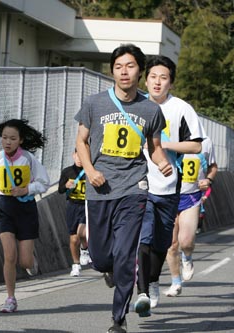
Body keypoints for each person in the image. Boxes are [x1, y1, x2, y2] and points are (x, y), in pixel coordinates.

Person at [74, 43, 173, 333]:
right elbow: (81, 141)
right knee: (102, 257)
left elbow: (154, 148)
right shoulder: (94, 104)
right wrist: (90, 171)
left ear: (139, 71)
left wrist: (163, 162)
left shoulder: (150, 109)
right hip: (100, 190)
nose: (124, 72)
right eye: (118, 67)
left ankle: (118, 320)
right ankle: (108, 270)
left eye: (130, 66)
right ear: (112, 72)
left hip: (134, 188)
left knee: (126, 255)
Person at [133, 55, 205, 315]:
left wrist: (163, 146)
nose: (157, 82)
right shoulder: (135, 105)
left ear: (171, 83)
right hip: (138, 184)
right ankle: (142, 290)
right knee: (143, 238)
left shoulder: (181, 109)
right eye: (153, 76)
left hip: (168, 184)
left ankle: (153, 281)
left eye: (163, 78)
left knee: (163, 243)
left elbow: (196, 145)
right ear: (145, 78)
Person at [0, 118, 50, 313]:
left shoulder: (28, 158)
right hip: (4, 208)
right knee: (9, 255)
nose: (7, 142)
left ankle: (32, 261)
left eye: (12, 138)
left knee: (24, 261)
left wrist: (27, 189)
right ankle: (10, 298)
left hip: (26, 209)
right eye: (4, 138)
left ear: (20, 140)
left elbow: (45, 182)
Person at [164, 136, 217, 296]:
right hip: (168, 195)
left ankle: (187, 257)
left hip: (191, 196)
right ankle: (175, 281)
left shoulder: (205, 141)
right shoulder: (166, 137)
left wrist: (208, 179)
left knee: (185, 242)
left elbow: (213, 166)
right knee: (171, 243)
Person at [58, 149, 90, 277]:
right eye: (77, 156)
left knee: (82, 232)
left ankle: (84, 249)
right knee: (73, 237)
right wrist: (66, 185)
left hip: (86, 205)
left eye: (82, 156)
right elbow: (60, 189)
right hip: (73, 205)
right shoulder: (67, 172)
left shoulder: (90, 171)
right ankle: (76, 264)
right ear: (74, 155)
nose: (79, 159)